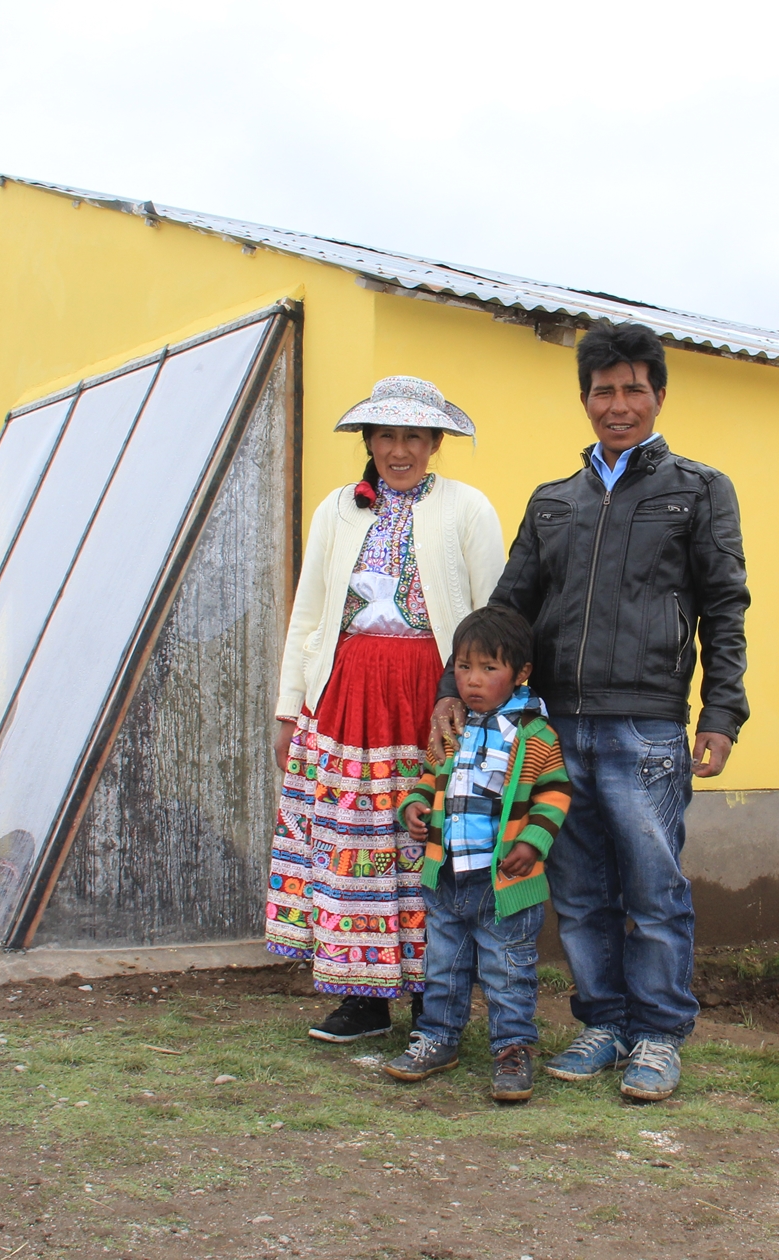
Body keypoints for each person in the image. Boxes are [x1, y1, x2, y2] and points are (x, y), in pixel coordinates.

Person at [429, 321, 749, 1101]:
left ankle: (658, 1037)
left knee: (654, 891)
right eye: (604, 391)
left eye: (634, 389)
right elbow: (507, 610)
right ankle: (603, 1025)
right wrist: (450, 686)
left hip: (647, 727)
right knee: (576, 893)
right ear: (585, 400)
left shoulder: (699, 490)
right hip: (555, 730)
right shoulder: (554, 503)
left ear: (659, 395)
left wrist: (721, 712)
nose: (619, 405)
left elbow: (724, 606)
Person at [265, 375, 506, 1043]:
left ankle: (436, 1002)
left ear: (434, 443)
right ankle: (362, 997)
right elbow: (310, 615)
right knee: (356, 840)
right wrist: (290, 709)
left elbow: (494, 613)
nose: (400, 450)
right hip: (348, 697)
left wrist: (487, 703)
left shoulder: (467, 509)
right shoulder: (338, 510)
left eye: (414, 437)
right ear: (369, 441)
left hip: (433, 697)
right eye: (386, 436)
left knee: (429, 839)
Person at [384, 606, 571, 1102]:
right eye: (464, 667)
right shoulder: (455, 726)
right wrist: (415, 805)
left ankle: (512, 1050)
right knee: (443, 966)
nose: (472, 680)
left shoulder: (533, 734)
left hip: (502, 882)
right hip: (447, 877)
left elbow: (555, 794)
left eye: (489, 668)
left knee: (507, 970)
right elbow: (431, 775)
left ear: (521, 673)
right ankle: (437, 1038)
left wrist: (532, 843)